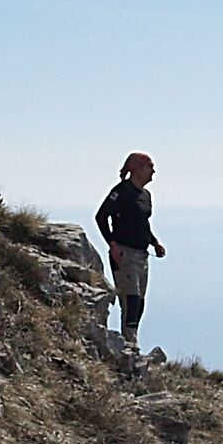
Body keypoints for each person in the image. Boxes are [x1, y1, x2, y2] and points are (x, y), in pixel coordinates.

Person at [94, 151, 166, 354]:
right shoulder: (122, 191)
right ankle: (129, 344)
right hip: (124, 254)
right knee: (131, 298)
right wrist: (113, 245)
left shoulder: (146, 196)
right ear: (138, 168)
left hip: (142, 255)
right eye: (150, 167)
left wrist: (154, 242)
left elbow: (141, 223)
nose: (154, 171)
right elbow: (101, 216)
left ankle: (131, 342)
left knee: (140, 301)